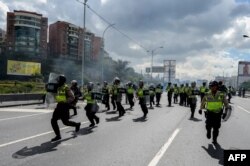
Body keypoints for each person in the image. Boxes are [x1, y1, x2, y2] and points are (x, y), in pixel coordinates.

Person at [51, 75, 81, 142]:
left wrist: (65, 101)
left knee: (65, 122)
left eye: (58, 80)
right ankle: (58, 136)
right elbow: (54, 94)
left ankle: (77, 124)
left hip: (64, 106)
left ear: (61, 81)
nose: (57, 81)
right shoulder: (58, 87)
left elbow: (72, 97)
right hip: (59, 106)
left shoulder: (66, 88)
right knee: (53, 120)